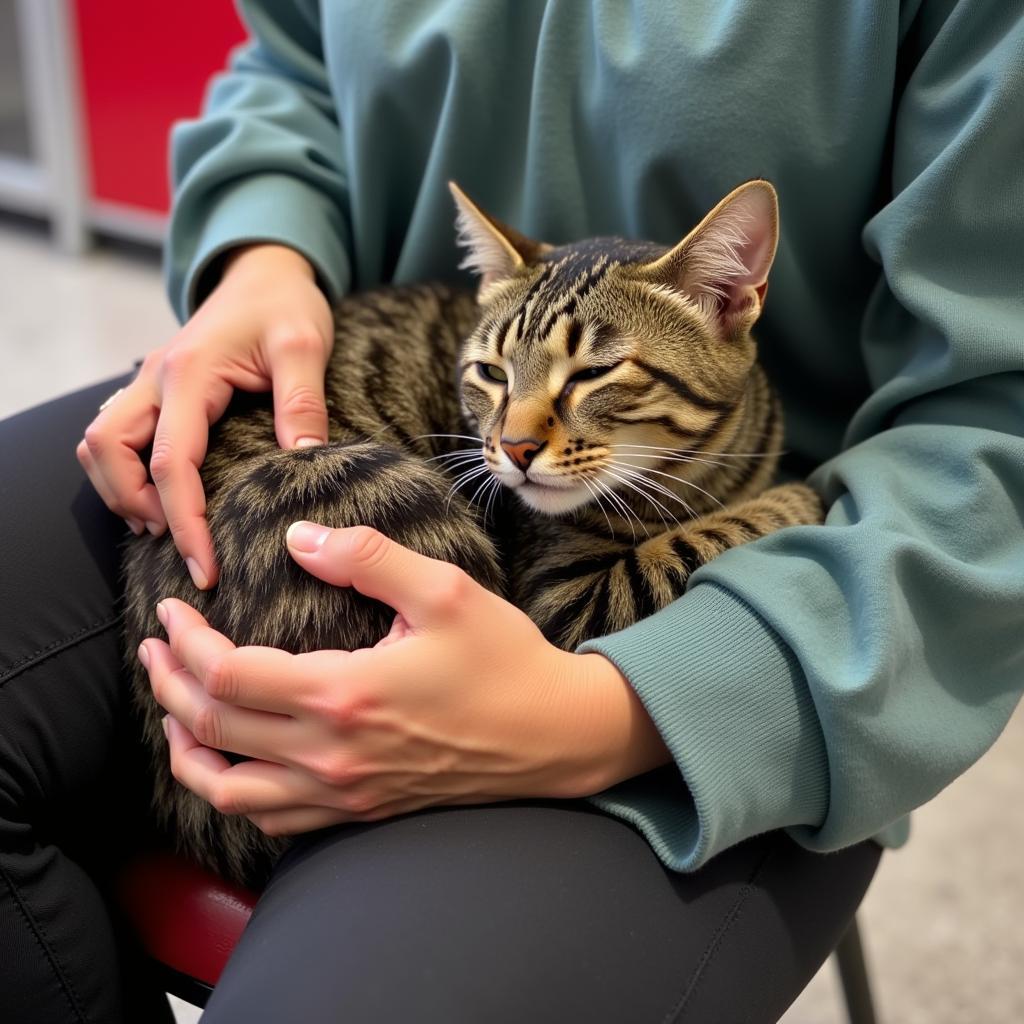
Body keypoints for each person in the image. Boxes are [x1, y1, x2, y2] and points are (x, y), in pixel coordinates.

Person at [2, 1, 1022, 1021]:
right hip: (318, 418)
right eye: (505, 384)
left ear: (728, 306)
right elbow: (291, 59)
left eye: (588, 383)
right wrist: (259, 255)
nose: (523, 437)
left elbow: (994, 432)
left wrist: (602, 716)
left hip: (789, 634)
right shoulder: (511, 428)